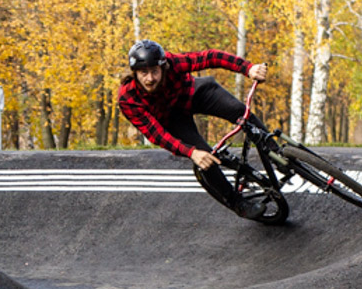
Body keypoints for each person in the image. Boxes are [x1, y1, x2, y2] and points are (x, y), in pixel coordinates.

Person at [116, 38, 271, 219]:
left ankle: (276, 153)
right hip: (173, 120)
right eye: (143, 73)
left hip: (193, 94)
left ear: (163, 67)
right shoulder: (128, 98)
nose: (150, 78)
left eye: (154, 71)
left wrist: (247, 68)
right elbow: (156, 134)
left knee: (239, 111)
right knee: (205, 159)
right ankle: (239, 204)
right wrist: (191, 152)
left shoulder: (172, 63)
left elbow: (210, 57)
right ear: (134, 73)